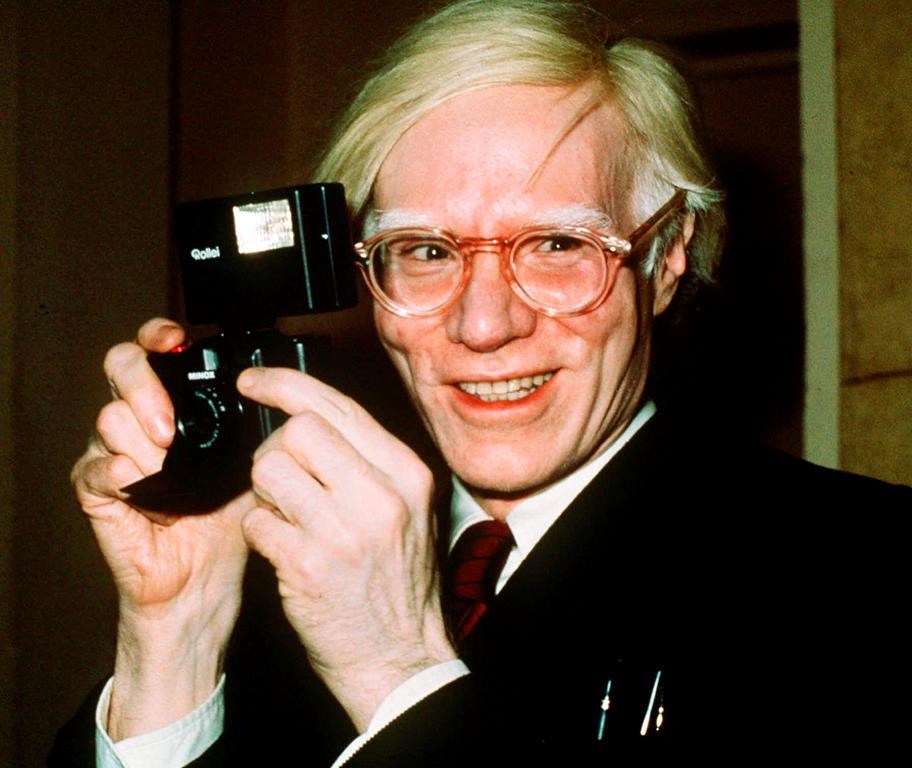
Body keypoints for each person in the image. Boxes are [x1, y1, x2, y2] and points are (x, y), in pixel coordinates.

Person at [52, 1, 909, 765]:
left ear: (666, 256)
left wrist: (397, 675)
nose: (483, 325)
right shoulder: (295, 562)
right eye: (426, 251)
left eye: (559, 245)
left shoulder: (859, 579)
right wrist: (176, 635)